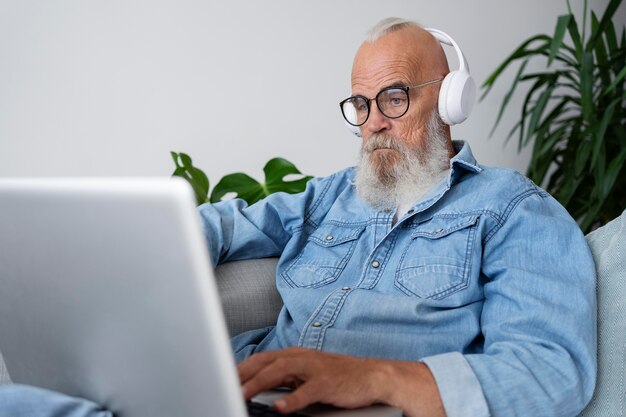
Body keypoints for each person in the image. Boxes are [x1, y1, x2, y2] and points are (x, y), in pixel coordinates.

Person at [0, 17, 596, 417]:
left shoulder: (513, 210)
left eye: (393, 98)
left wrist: (377, 378)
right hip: (235, 395)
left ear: (448, 101)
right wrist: (107, 249)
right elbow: (219, 225)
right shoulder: (328, 196)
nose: (374, 124)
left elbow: (550, 372)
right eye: (361, 106)